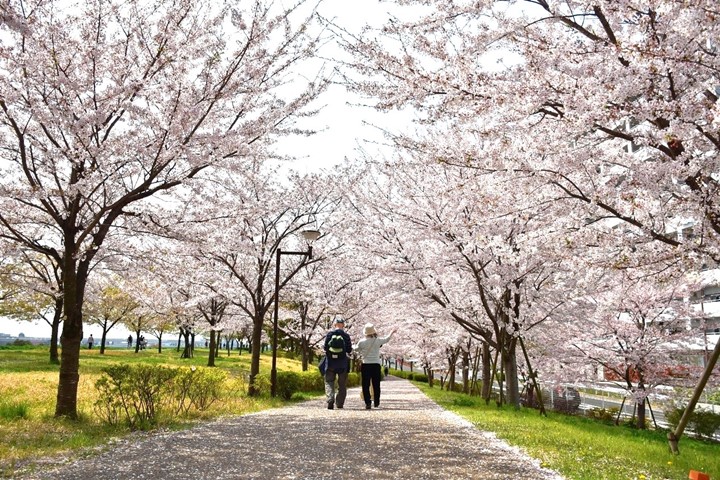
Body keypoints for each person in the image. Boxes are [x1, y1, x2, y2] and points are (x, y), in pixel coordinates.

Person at [355, 323, 395, 410]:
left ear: (365, 332)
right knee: (376, 384)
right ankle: (376, 401)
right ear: (373, 331)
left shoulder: (362, 342)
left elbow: (356, 349)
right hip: (376, 365)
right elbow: (386, 339)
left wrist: (352, 346)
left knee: (365, 385)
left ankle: (367, 402)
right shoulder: (377, 340)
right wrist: (391, 332)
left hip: (366, 364)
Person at [323, 317, 352, 410]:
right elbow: (349, 349)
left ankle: (330, 399)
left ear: (334, 324)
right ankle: (339, 403)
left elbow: (325, 347)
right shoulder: (346, 336)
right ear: (343, 325)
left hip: (330, 363)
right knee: (342, 384)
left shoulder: (330, 334)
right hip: (342, 364)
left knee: (329, 381)